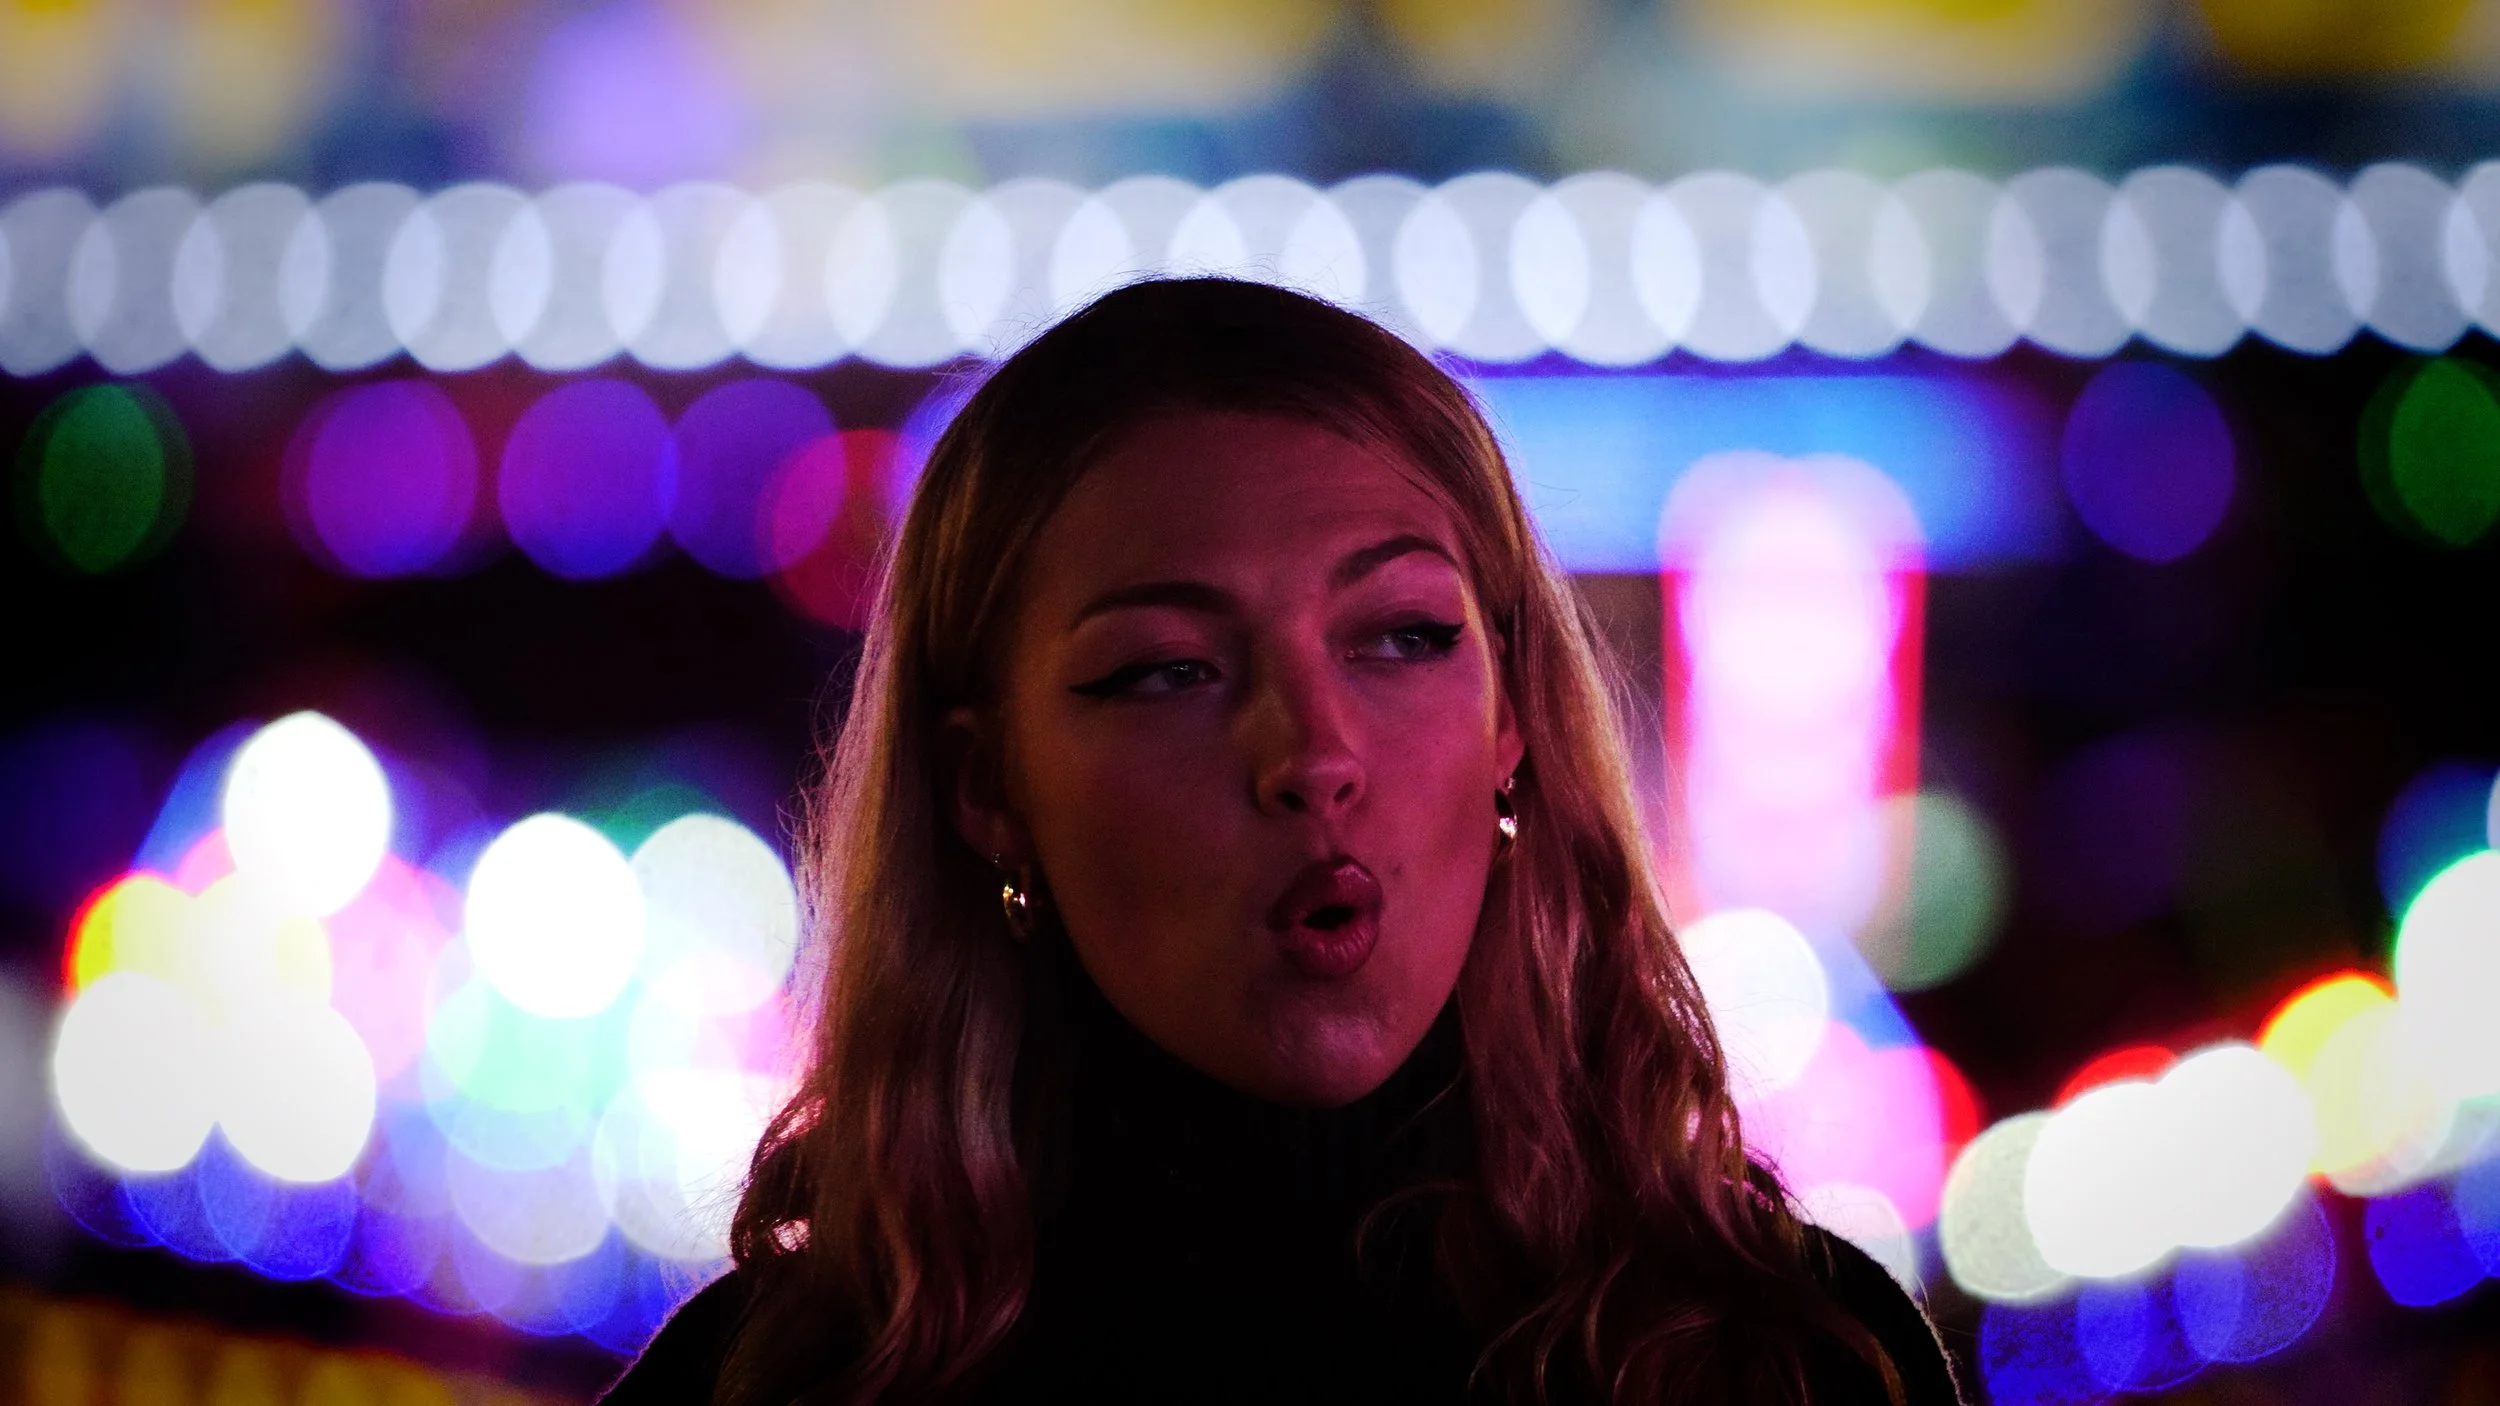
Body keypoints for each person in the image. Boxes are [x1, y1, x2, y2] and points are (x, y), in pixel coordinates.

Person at [601, 277, 1962, 1405]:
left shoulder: (1793, 1359)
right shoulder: (775, 1381)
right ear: (986, 786)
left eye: (1403, 637)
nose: (1313, 756)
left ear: (1512, 720)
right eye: (1169, 670)